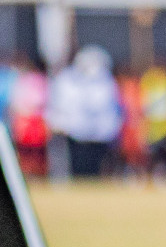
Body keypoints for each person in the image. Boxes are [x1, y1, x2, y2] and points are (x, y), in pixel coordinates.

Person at [46, 45, 123, 178]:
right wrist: (58, 123)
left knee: (96, 169)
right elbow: (58, 104)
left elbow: (110, 107)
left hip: (98, 135)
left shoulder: (106, 81)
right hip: (74, 132)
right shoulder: (66, 80)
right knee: (77, 167)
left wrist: (111, 128)